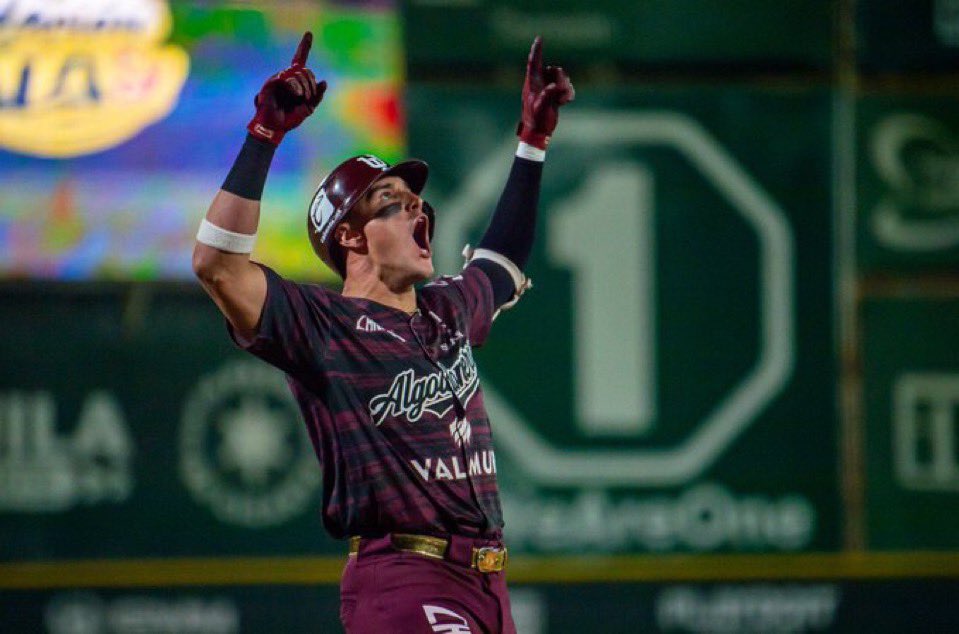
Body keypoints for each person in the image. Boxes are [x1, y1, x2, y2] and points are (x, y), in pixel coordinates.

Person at [193, 31, 573, 634]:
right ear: (350, 236)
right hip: (404, 577)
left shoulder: (445, 310)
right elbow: (217, 267)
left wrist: (532, 142)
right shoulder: (323, 326)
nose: (418, 209)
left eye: (417, 200)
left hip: (488, 583)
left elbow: (502, 262)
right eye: (393, 202)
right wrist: (264, 136)